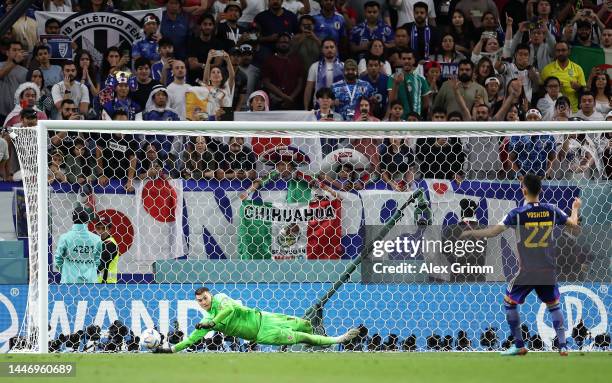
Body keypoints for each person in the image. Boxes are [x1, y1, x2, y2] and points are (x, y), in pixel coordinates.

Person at [460, 174, 581, 356]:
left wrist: (471, 233)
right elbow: (573, 225)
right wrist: (575, 208)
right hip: (547, 269)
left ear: (523, 189)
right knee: (553, 305)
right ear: (540, 190)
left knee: (509, 302)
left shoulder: (517, 214)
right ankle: (563, 346)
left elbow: (493, 232)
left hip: (528, 270)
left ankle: (519, 345)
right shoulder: (552, 209)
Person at [153, 287, 360, 352]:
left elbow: (230, 309)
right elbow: (190, 340)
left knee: (304, 323)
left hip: (265, 317)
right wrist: (169, 349)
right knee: (302, 336)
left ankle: (318, 343)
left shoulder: (221, 300)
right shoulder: (206, 319)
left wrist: (212, 323)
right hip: (264, 333)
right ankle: (339, 339)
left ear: (210, 295)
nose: (203, 302)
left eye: (205, 298)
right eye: (199, 301)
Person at [54, 206, 103, 284]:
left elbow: (57, 260)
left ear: (73, 219)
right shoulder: (96, 239)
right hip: (90, 281)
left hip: (69, 281)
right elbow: (97, 260)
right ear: (87, 219)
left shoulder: (65, 238)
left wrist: (66, 271)